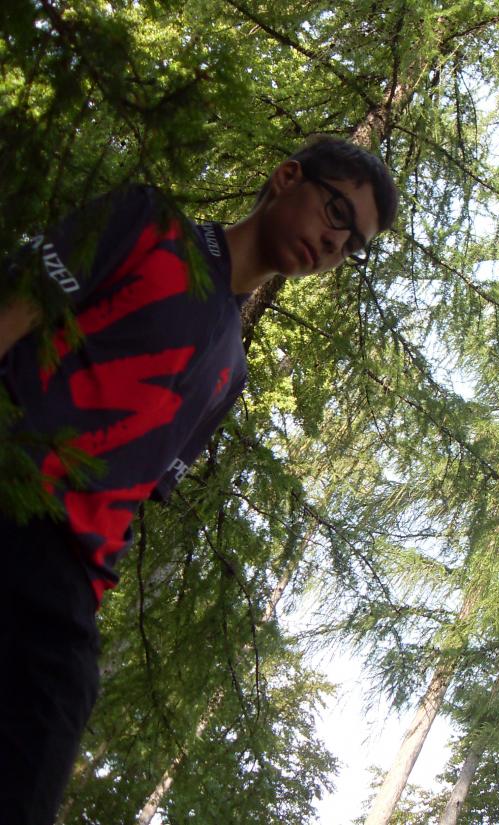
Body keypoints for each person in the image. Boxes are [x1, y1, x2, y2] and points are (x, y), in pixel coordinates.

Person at [0, 136, 398, 825]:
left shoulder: (230, 372)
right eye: (337, 212)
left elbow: (137, 491)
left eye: (353, 244)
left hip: (67, 598)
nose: (336, 243)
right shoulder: (148, 223)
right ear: (287, 177)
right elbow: (16, 305)